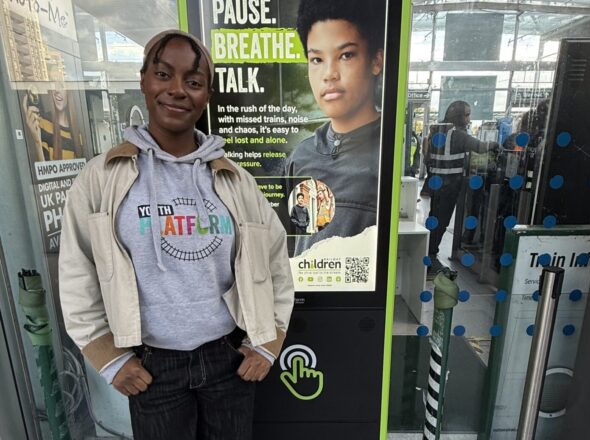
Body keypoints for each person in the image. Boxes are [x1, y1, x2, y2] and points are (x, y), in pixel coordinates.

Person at [58, 30, 294, 440]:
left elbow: (274, 261)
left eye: (194, 81)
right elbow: (77, 270)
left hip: (228, 358)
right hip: (150, 365)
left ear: (206, 95)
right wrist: (108, 357)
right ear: (144, 81)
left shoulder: (234, 180)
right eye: (164, 75)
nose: (177, 90)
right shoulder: (103, 178)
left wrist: (267, 343)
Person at [284, 0, 385, 255]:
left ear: (376, 61)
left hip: (363, 295)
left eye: (346, 55)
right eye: (316, 59)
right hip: (306, 294)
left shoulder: (387, 150)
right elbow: (291, 242)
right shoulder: (301, 156)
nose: (329, 74)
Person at [427, 100, 499, 277]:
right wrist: (497, 145)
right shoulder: (458, 135)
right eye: (467, 114)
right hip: (450, 185)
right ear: (459, 116)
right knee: (441, 222)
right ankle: (431, 257)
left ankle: (428, 254)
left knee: (435, 219)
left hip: (437, 183)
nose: (469, 119)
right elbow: (481, 147)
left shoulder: (439, 131)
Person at [22, 86, 85, 161]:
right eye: (53, 85)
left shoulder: (77, 133)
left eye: (61, 85)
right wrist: (37, 142)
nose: (57, 90)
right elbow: (44, 169)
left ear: (69, 91)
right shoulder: (42, 123)